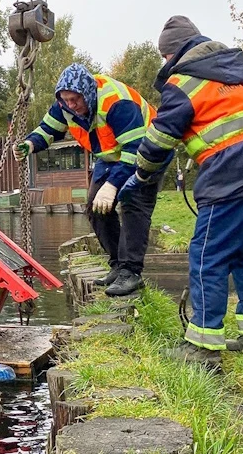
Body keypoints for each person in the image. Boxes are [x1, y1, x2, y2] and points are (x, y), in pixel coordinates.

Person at [122, 15, 243, 367]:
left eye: (164, 57)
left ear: (171, 54)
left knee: (208, 257)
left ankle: (203, 347)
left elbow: (158, 141)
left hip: (231, 177)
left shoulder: (182, 83)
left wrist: (141, 175)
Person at [14, 63, 162, 296]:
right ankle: (117, 265)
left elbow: (135, 150)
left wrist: (113, 185)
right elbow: (48, 129)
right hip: (111, 155)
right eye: (66, 100)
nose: (71, 106)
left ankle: (131, 272)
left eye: (76, 100)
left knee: (133, 204)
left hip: (148, 150)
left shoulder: (117, 104)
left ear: (88, 93)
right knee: (95, 206)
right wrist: (30, 143)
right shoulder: (64, 105)